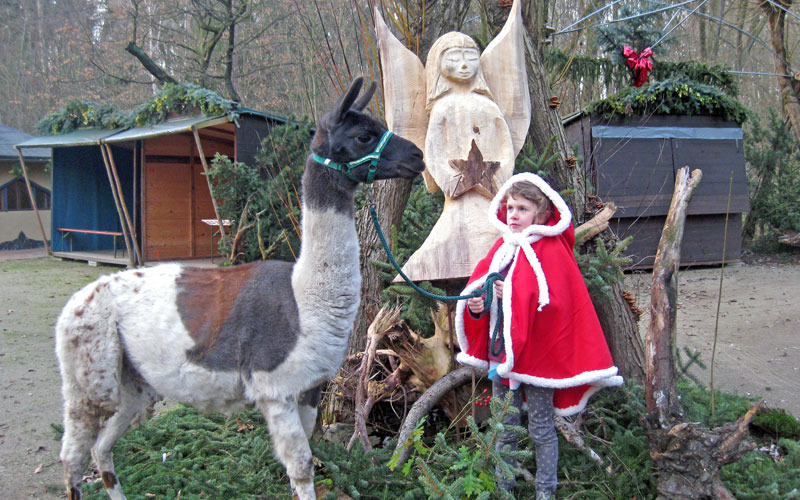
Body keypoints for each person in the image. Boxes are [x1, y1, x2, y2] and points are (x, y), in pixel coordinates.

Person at [455, 172, 624, 499]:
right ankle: (504, 492)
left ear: (543, 213)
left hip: (538, 362)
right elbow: (484, 298)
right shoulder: (502, 248)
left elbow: (557, 306)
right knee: (503, 430)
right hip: (502, 357)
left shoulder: (551, 251)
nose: (513, 215)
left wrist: (513, 294)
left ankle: (545, 493)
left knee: (541, 429)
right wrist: (479, 303)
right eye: (509, 208)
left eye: (522, 208)